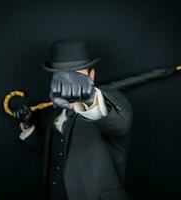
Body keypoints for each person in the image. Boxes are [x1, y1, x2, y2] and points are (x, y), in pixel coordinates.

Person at [13, 39, 133, 200]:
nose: (70, 82)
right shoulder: (55, 114)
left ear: (92, 75)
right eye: (62, 75)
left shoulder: (112, 101)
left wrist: (90, 99)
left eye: (77, 75)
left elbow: (120, 126)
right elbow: (55, 153)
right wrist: (28, 126)